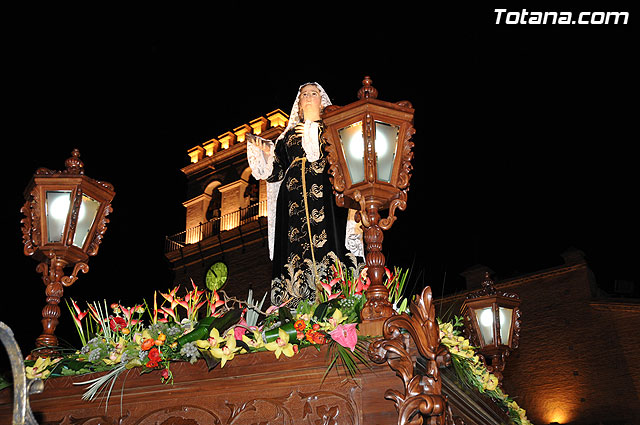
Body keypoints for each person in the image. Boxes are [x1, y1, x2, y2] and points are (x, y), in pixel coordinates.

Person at [247, 82, 363, 308]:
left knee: (329, 241)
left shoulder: (333, 127)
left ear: (322, 101)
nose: (308, 98)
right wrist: (264, 151)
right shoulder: (287, 137)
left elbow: (344, 156)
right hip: (292, 201)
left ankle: (336, 297)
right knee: (294, 249)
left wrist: (315, 131)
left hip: (325, 195)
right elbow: (275, 172)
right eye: (304, 95)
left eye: (313, 94)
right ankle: (294, 302)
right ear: (298, 104)